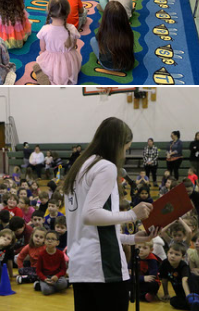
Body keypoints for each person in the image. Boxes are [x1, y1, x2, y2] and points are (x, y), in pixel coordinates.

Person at [63, 117, 156, 310]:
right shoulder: (105, 167)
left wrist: (130, 239)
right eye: (125, 148)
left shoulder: (80, 166)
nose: (124, 153)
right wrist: (132, 214)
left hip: (81, 266)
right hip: (103, 268)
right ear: (118, 145)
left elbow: (89, 228)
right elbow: (91, 215)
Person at [38, 0, 83, 85]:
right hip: (69, 63)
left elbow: (42, 49)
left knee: (40, 60)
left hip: (52, 62)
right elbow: (73, 46)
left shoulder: (45, 29)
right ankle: (64, 75)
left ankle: (48, 76)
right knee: (74, 56)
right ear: (68, 11)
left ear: (49, 11)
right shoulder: (72, 28)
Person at [91, 1, 135, 72]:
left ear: (105, 18)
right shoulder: (128, 30)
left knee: (92, 41)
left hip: (108, 65)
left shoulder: (103, 31)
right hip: (127, 64)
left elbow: (96, 40)